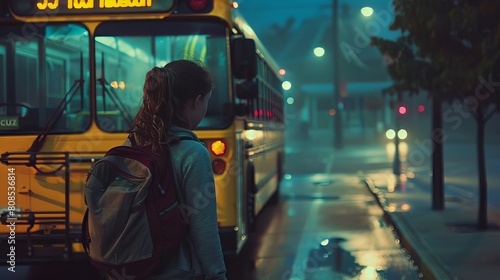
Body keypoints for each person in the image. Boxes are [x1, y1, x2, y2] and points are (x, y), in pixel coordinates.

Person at [125, 59, 227, 279]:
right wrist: (218, 275)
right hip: (177, 271)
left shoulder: (133, 143)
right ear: (197, 101)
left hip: (133, 268)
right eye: (206, 101)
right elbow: (204, 229)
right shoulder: (193, 152)